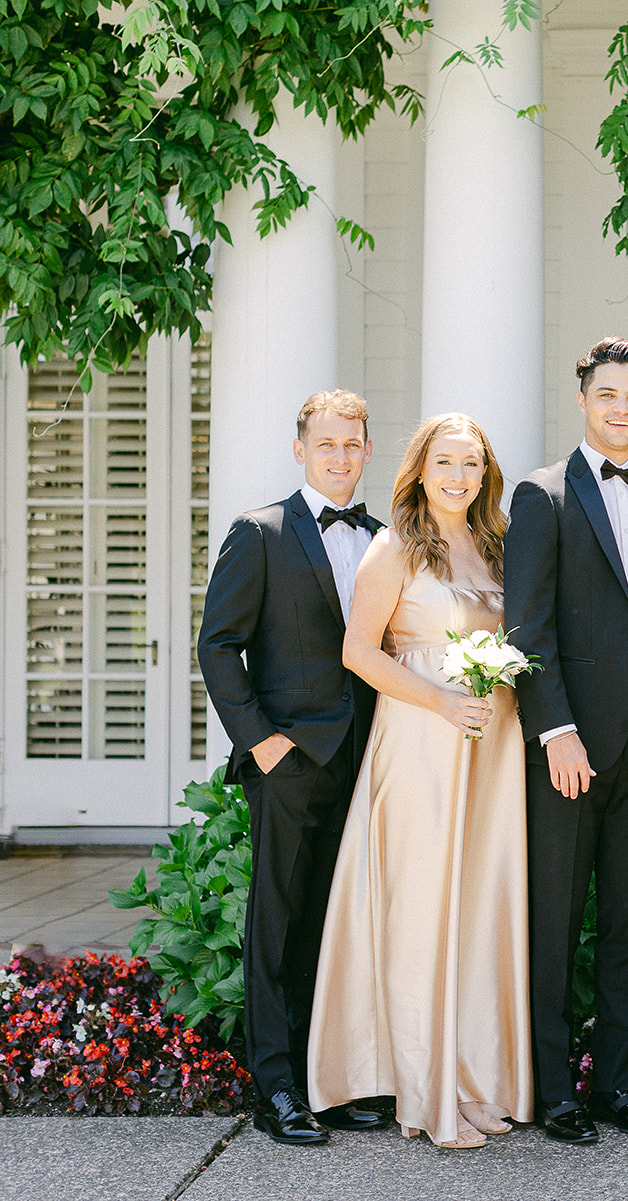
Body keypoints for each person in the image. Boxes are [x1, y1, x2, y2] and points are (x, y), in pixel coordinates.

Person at [307, 413, 534, 1149]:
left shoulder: (496, 546)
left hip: (490, 741)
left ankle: (469, 1079)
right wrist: (440, 699)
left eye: (471, 464)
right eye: (446, 462)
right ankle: (426, 1091)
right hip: (420, 738)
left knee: (474, 909)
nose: (458, 476)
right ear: (420, 468)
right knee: (424, 910)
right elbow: (358, 651)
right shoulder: (396, 544)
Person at [504, 336, 628, 1145]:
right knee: (555, 919)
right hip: (571, 746)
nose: (622, 408)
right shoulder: (541, 496)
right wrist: (557, 730)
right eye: (608, 394)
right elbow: (526, 625)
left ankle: (617, 1083)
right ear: (582, 399)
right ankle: (554, 1092)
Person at [196, 390, 386, 1145]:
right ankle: (276, 1089)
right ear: (301, 449)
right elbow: (218, 644)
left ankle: (328, 1083)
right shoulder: (261, 531)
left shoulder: (380, 537)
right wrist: (263, 743)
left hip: (366, 760)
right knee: (277, 925)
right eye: (326, 443)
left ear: (368, 450)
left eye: (352, 444)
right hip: (292, 760)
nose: (340, 456)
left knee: (337, 925)